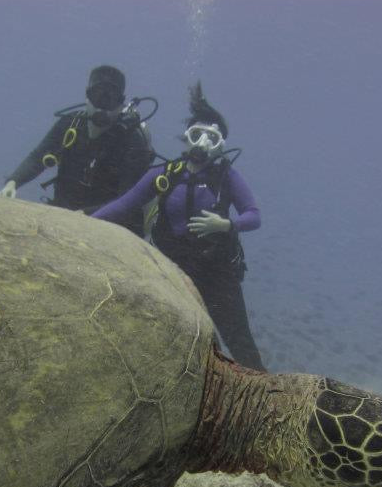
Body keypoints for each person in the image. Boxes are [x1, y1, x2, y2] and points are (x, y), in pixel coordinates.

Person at [93, 82, 266, 371]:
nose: (201, 143)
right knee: (160, 339)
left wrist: (227, 225)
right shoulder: (165, 174)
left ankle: (266, 400)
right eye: (196, 134)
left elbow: (254, 216)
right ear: (186, 137)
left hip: (217, 273)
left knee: (240, 342)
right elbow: (125, 204)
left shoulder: (228, 177)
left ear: (221, 144)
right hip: (171, 271)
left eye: (211, 138)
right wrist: (86, 222)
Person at [0, 65, 154, 235]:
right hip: (64, 214)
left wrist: (86, 215)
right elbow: (38, 157)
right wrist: (13, 182)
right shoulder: (70, 124)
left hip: (108, 226)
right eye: (98, 96)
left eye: (110, 98)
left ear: (120, 103)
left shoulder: (131, 141)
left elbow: (128, 200)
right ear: (87, 97)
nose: (103, 105)